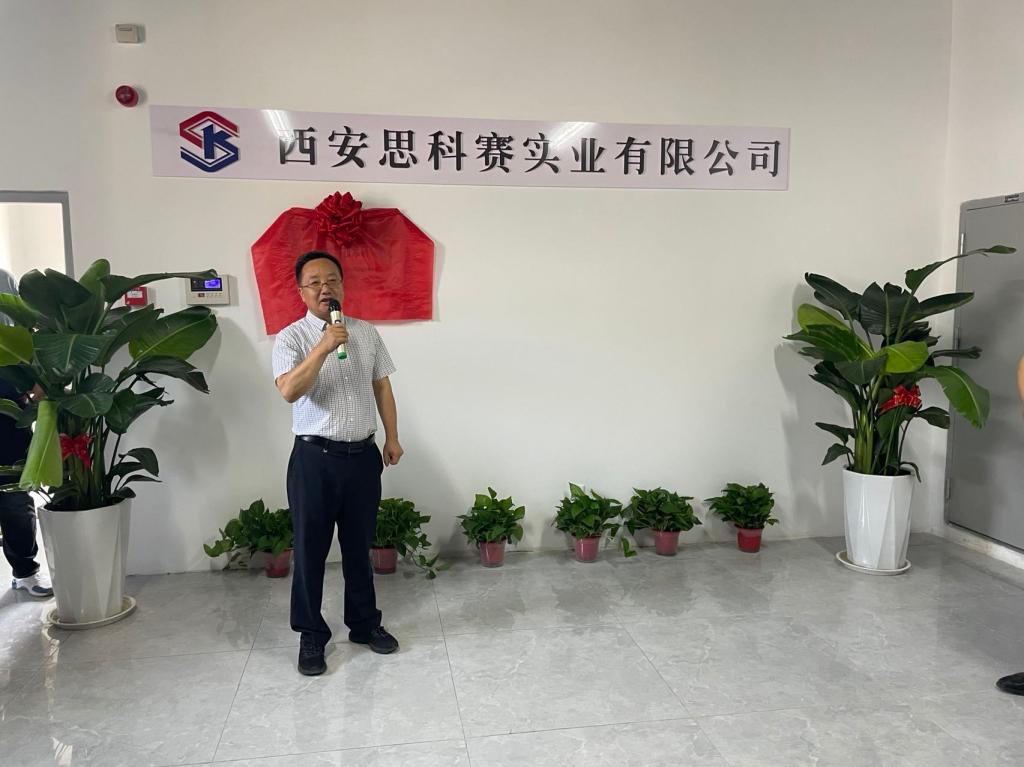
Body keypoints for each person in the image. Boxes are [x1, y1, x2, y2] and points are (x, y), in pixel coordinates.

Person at [272, 251, 403, 675]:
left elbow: (382, 387)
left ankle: (364, 624)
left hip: (362, 457)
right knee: (310, 551)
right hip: (315, 459)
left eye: (332, 280)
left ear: (343, 286)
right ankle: (311, 635)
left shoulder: (365, 332)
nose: (325, 287)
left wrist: (392, 437)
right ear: (302, 292)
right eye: (315, 282)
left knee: (358, 547)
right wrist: (324, 346)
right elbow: (289, 390)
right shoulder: (291, 338)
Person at [0, 268, 53, 598]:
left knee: (15, 495)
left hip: (7, 401)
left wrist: (36, 380)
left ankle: (25, 571)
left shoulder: (2, 278)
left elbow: (23, 330)